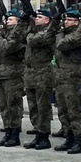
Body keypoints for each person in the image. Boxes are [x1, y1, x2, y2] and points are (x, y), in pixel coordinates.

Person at [53, 9, 81, 152]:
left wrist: (60, 32)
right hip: (60, 76)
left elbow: (62, 44)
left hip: (72, 77)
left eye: (69, 20)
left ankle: (78, 139)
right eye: (65, 20)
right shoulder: (65, 33)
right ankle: (68, 137)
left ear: (77, 22)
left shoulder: (78, 35)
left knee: (73, 109)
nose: (65, 22)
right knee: (63, 109)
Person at [0, 9, 27, 147]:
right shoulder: (4, 33)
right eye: (7, 19)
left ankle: (15, 134)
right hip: (1, 74)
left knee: (13, 106)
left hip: (13, 74)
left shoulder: (20, 35)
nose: (7, 21)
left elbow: (7, 47)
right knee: (4, 106)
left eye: (11, 19)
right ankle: (8, 131)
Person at [23, 9, 58, 151]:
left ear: (47, 20)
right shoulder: (33, 31)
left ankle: (44, 136)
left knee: (42, 105)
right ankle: (37, 133)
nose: (36, 19)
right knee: (33, 106)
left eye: (40, 17)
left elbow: (36, 40)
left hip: (43, 72)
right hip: (31, 72)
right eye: (35, 17)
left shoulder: (48, 33)